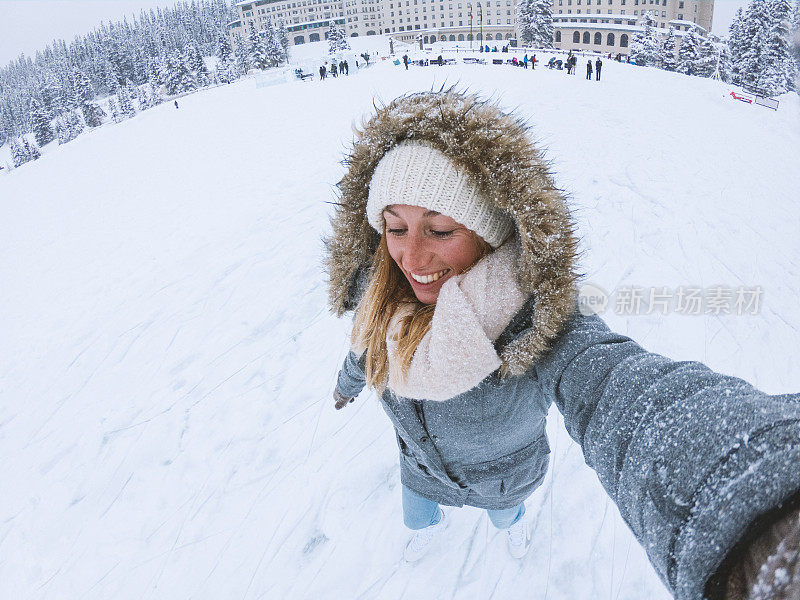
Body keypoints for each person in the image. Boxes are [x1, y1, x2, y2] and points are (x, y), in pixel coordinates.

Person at [325, 90, 800, 598]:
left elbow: (619, 388)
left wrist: (759, 511)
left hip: (502, 481)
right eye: (395, 228)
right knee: (417, 517)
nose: (411, 256)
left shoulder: (536, 322)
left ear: (491, 233)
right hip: (417, 469)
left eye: (440, 229)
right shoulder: (380, 306)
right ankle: (427, 527)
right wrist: (346, 386)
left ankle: (512, 522)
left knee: (505, 518)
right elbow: (363, 355)